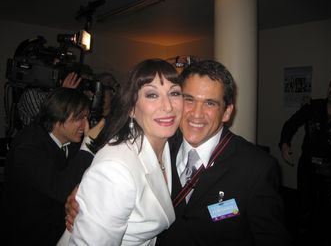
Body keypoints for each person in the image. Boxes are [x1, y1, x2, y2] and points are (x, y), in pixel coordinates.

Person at [65, 60, 292, 246]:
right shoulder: (161, 142)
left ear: (227, 112)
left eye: (210, 104)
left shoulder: (256, 168)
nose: (196, 114)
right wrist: (83, 198)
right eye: (189, 99)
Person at [57, 58, 183, 245]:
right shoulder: (115, 170)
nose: (168, 106)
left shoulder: (169, 144)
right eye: (152, 95)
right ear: (131, 108)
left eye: (174, 93)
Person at [4, 87, 104, 246]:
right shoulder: (28, 146)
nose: (85, 125)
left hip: (55, 228)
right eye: (79, 118)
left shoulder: (70, 140)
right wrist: (89, 144)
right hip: (26, 234)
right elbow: (60, 189)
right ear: (58, 116)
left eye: (86, 117)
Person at [279, 73, 331, 246]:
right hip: (308, 167)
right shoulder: (314, 107)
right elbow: (291, 124)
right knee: (304, 209)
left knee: (330, 216)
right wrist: (284, 144)